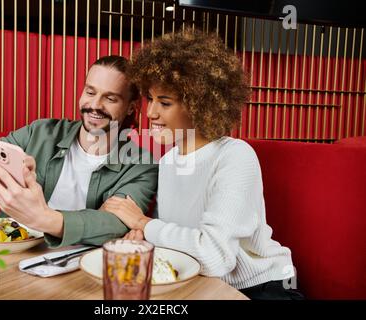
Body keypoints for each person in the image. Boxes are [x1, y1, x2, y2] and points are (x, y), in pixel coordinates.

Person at [101, 30, 304, 300]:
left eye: (165, 102)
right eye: (150, 99)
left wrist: (142, 221)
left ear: (200, 104)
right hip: (202, 286)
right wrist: (143, 235)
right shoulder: (168, 162)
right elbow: (177, 236)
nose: (150, 113)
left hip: (261, 289)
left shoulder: (235, 156)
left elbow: (214, 257)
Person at [0, 55, 158, 247]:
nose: (95, 105)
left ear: (131, 107)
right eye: (90, 92)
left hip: (79, 269)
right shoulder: (40, 132)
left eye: (110, 98)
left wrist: (43, 218)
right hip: (10, 253)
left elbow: (116, 223)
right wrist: (3, 166)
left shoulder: (141, 164)